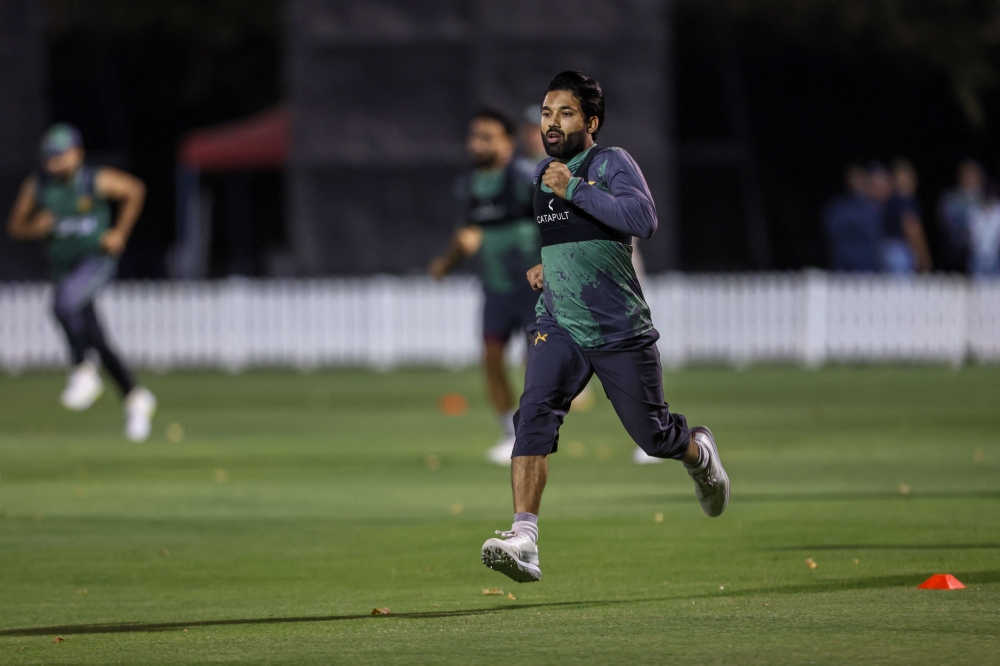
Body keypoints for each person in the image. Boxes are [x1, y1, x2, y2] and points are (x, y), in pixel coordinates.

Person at [480, 71, 730, 583]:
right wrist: (548, 267)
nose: (552, 123)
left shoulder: (609, 162)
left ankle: (698, 451)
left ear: (590, 121)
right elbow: (570, 239)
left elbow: (641, 220)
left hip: (618, 329)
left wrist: (571, 186)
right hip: (560, 323)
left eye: (565, 113)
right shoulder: (542, 175)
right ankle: (523, 538)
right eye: (547, 112)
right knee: (534, 415)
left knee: (654, 436)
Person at [6, 123, 156, 442]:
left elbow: (135, 191)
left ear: (77, 154)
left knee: (62, 304)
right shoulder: (39, 187)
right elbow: (16, 226)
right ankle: (135, 397)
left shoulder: (94, 180)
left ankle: (82, 370)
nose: (55, 162)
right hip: (64, 267)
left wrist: (120, 233)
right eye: (50, 156)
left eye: (61, 155)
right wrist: (35, 227)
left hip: (96, 261)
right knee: (97, 339)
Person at [429, 110, 542, 464]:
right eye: (474, 136)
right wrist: (448, 262)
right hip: (496, 288)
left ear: (508, 143)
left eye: (487, 137)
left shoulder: (526, 179)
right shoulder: (469, 186)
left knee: (534, 364)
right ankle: (509, 434)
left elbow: (555, 223)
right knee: (491, 359)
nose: (477, 144)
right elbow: (468, 233)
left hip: (535, 289)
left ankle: (531, 434)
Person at [822, 165, 881, 272]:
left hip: (866, 263)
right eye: (853, 178)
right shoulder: (838, 206)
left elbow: (873, 234)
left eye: (859, 178)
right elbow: (831, 231)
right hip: (842, 260)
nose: (856, 182)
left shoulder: (871, 206)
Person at [881, 159, 933, 274]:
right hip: (900, 252)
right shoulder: (905, 200)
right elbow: (911, 227)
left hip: (886, 250)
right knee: (902, 290)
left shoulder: (889, 200)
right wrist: (924, 256)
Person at [938, 160, 985, 272]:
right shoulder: (951, 198)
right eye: (967, 175)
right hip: (959, 244)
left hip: (981, 246)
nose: (970, 179)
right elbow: (947, 222)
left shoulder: (986, 198)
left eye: (974, 175)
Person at [968, 184, 1000, 276]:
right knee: (978, 283)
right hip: (978, 255)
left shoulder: (998, 211)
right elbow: (972, 233)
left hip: (995, 256)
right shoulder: (976, 211)